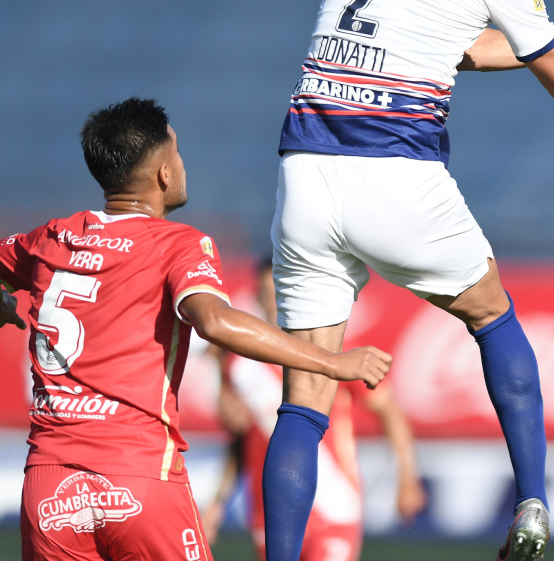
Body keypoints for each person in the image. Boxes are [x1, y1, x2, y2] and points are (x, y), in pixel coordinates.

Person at [265, 0, 554, 561]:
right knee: (492, 315)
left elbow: (457, 46)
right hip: (396, 171)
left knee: (306, 393)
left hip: (306, 173)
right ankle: (533, 501)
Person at [0, 97, 392, 561]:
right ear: (164, 173)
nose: (184, 165)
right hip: (139, 473)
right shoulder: (178, 243)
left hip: (49, 485)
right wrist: (331, 362)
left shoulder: (51, 238)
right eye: (178, 152)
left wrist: (5, 304)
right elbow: (214, 320)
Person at [202, 259, 427, 561]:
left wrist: (408, 476)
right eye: (267, 293)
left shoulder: (332, 353)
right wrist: (219, 501)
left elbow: (389, 411)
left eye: (279, 292)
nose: (274, 301)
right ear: (256, 296)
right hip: (270, 515)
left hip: (334, 507)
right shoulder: (242, 366)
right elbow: (243, 438)